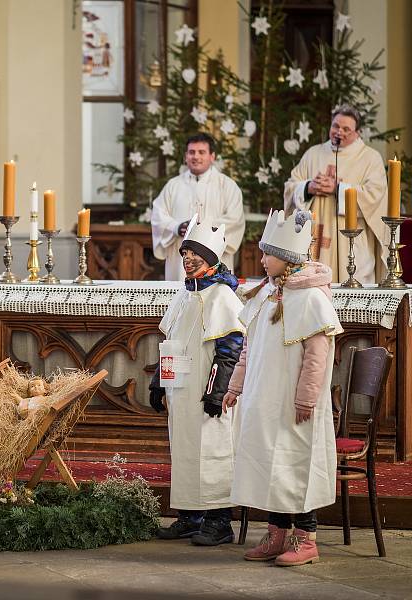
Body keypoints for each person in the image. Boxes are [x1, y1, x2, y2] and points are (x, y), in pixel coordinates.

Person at [223, 209, 342, 567]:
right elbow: (248, 348)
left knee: (294, 465)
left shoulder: (311, 299)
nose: (261, 260)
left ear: (287, 258)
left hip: (294, 404)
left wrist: (306, 398)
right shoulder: (267, 294)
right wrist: (236, 386)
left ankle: (306, 540)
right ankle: (276, 534)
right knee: (269, 466)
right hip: (265, 400)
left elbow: (317, 356)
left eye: (267, 254)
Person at [149, 216, 244, 546]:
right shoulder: (184, 294)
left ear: (212, 261)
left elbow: (231, 349)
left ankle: (220, 521)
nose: (188, 260)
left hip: (207, 395)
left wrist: (217, 392)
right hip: (181, 394)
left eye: (195, 256)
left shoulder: (223, 298)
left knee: (213, 452)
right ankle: (190, 517)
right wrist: (158, 384)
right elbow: (169, 344)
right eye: (185, 254)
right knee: (186, 453)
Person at [284, 104, 388, 283]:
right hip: (316, 236)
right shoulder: (313, 154)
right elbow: (290, 186)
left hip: (353, 240)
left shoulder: (370, 158)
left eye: (346, 129)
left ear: (358, 133)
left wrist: (338, 189)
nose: (339, 132)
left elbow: (375, 195)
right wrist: (308, 187)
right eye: (335, 126)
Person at [151, 133, 245, 281]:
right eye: (191, 152)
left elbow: (235, 219)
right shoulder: (173, 185)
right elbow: (158, 216)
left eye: (202, 152)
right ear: (186, 156)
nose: (196, 157)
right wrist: (177, 227)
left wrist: (202, 229)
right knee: (181, 299)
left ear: (212, 156)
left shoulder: (227, 186)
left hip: (214, 255)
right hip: (180, 259)